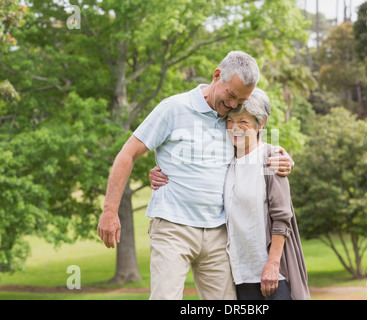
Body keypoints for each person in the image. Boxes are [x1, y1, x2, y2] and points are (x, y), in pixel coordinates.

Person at [97, 51, 294, 300]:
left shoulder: (230, 119)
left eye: (240, 101)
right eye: (231, 95)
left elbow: (252, 149)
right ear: (217, 75)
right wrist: (109, 210)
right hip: (172, 228)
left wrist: (281, 157)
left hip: (218, 234)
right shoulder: (173, 108)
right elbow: (127, 154)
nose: (233, 105)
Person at [224, 88, 310, 300]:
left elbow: (282, 218)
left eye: (243, 122)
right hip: (241, 275)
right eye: (230, 121)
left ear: (260, 124)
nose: (235, 128)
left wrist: (272, 265)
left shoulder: (271, 158)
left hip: (273, 276)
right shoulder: (224, 161)